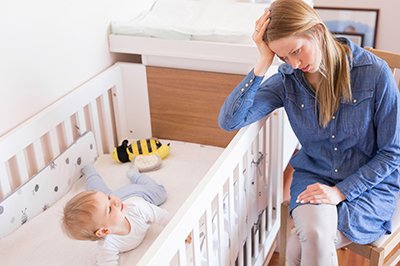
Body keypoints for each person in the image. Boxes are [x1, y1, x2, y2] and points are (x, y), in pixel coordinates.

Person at [218, 0, 400, 265]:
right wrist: (263, 61)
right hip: (315, 178)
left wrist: (340, 192)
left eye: (296, 51)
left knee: (300, 247)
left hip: (368, 186)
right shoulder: (286, 81)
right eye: (283, 57)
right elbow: (231, 120)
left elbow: (392, 153)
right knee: (313, 236)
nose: (293, 63)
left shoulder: (373, 73)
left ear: (316, 30)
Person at [62, 164, 169, 266]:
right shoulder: (108, 245)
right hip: (116, 203)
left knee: (160, 193)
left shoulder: (138, 207)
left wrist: (183, 232)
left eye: (108, 198)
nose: (114, 201)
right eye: (109, 209)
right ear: (104, 231)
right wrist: (106, 200)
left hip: (134, 194)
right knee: (99, 194)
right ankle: (90, 171)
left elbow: (163, 217)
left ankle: (134, 175)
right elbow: (106, 263)